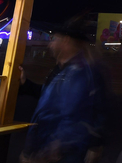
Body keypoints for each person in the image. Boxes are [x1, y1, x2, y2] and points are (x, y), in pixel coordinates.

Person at [21, 20, 105, 163]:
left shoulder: (78, 73)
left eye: (54, 39)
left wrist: (49, 152)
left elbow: (73, 117)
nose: (50, 44)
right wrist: (25, 83)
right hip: (49, 149)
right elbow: (46, 99)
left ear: (65, 41)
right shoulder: (63, 70)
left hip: (60, 155)